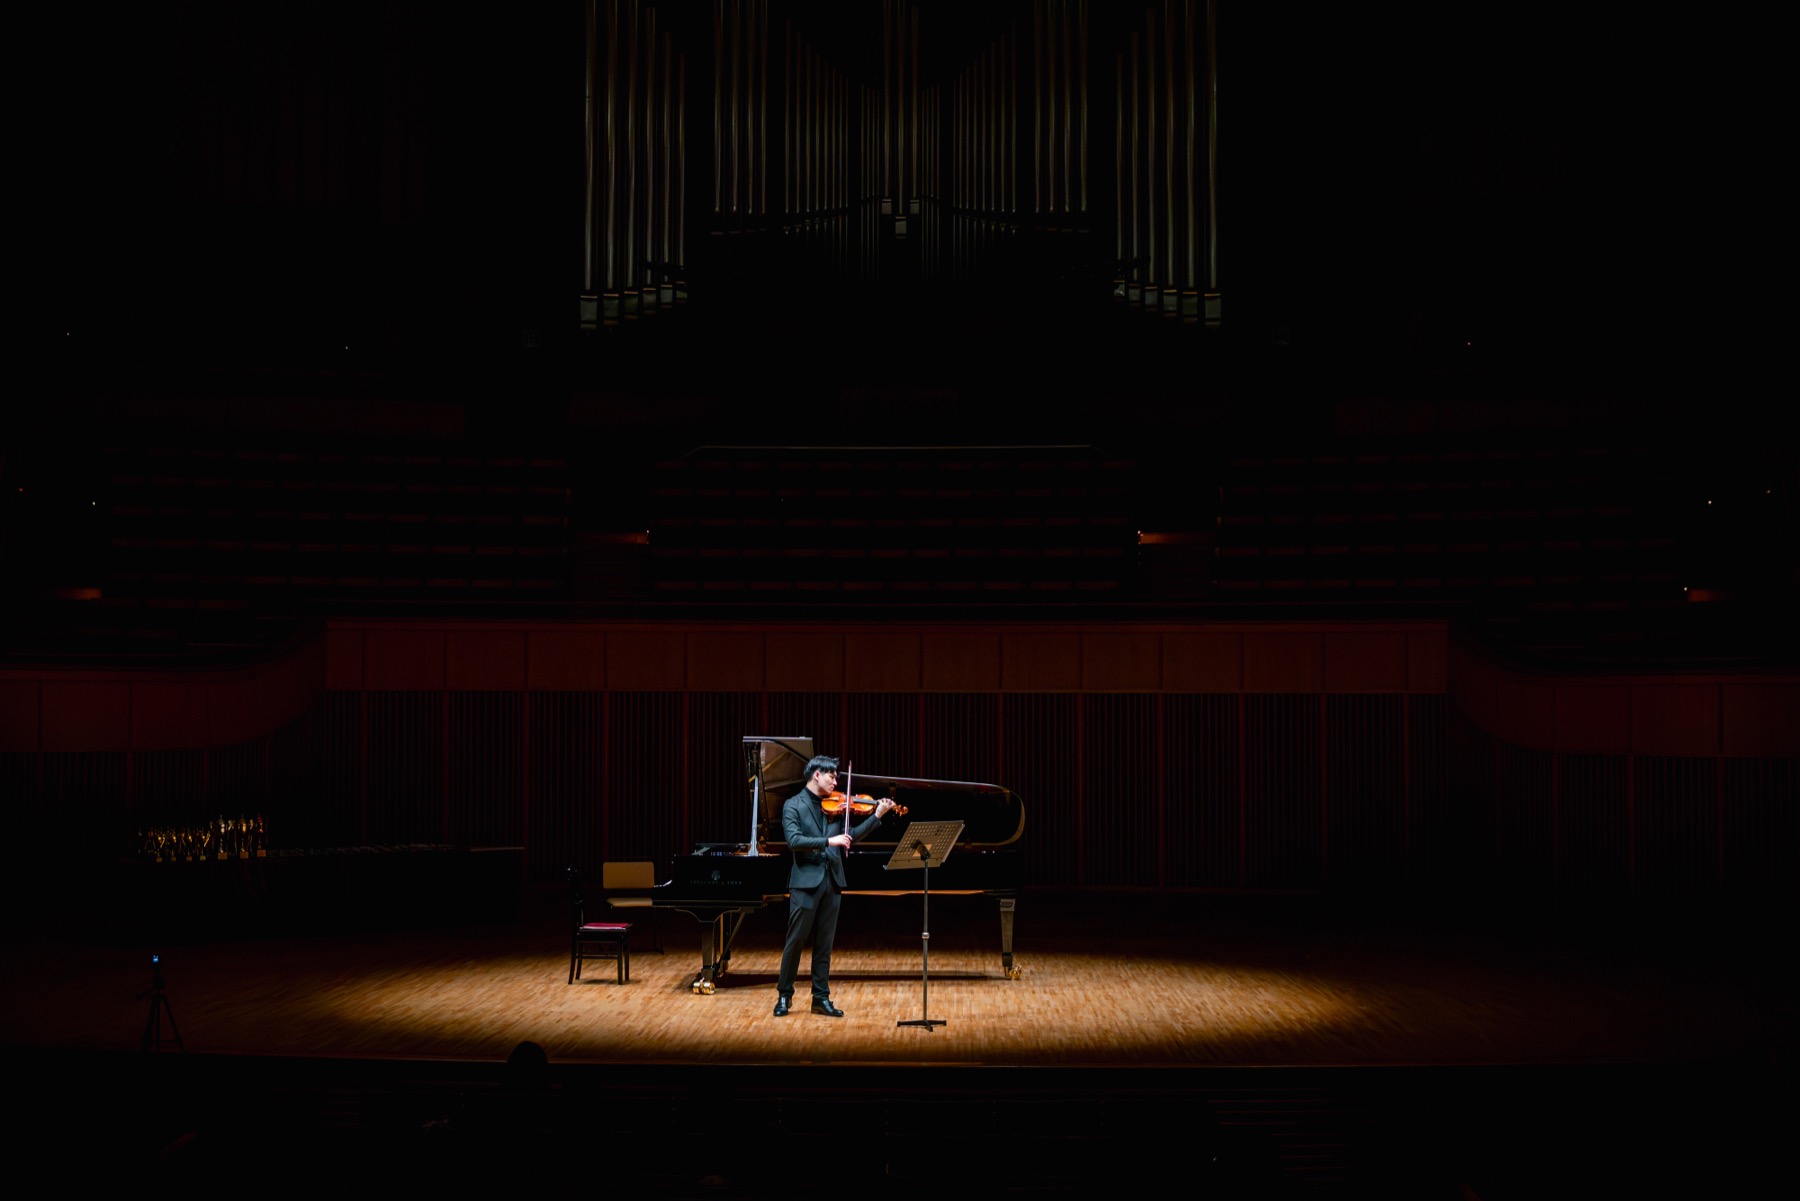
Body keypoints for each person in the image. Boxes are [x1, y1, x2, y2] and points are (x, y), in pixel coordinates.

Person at [774, 754, 895, 1016]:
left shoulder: (836, 806)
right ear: (816, 774)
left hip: (832, 881)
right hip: (805, 882)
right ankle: (784, 996)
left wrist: (877, 816)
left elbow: (849, 837)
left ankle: (821, 998)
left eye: (838, 777)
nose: (835, 781)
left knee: (825, 945)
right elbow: (794, 841)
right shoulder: (792, 805)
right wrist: (829, 842)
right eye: (832, 776)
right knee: (795, 941)